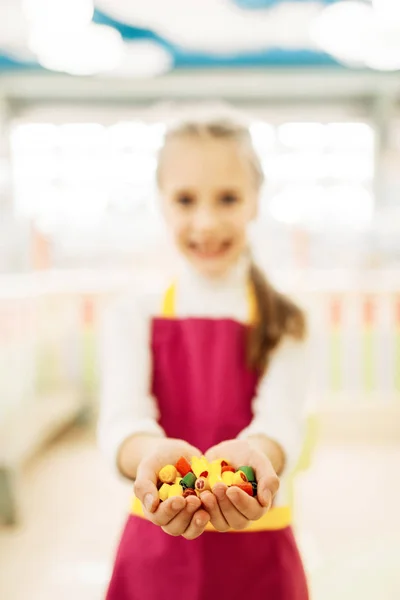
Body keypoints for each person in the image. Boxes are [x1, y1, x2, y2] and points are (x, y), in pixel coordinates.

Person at [98, 112, 310, 599]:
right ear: (162, 205)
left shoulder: (289, 319)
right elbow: (121, 420)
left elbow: (282, 423)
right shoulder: (132, 314)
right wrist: (149, 455)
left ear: (256, 201)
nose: (206, 222)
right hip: (155, 557)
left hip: (260, 558)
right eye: (186, 200)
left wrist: (256, 462)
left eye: (228, 199)